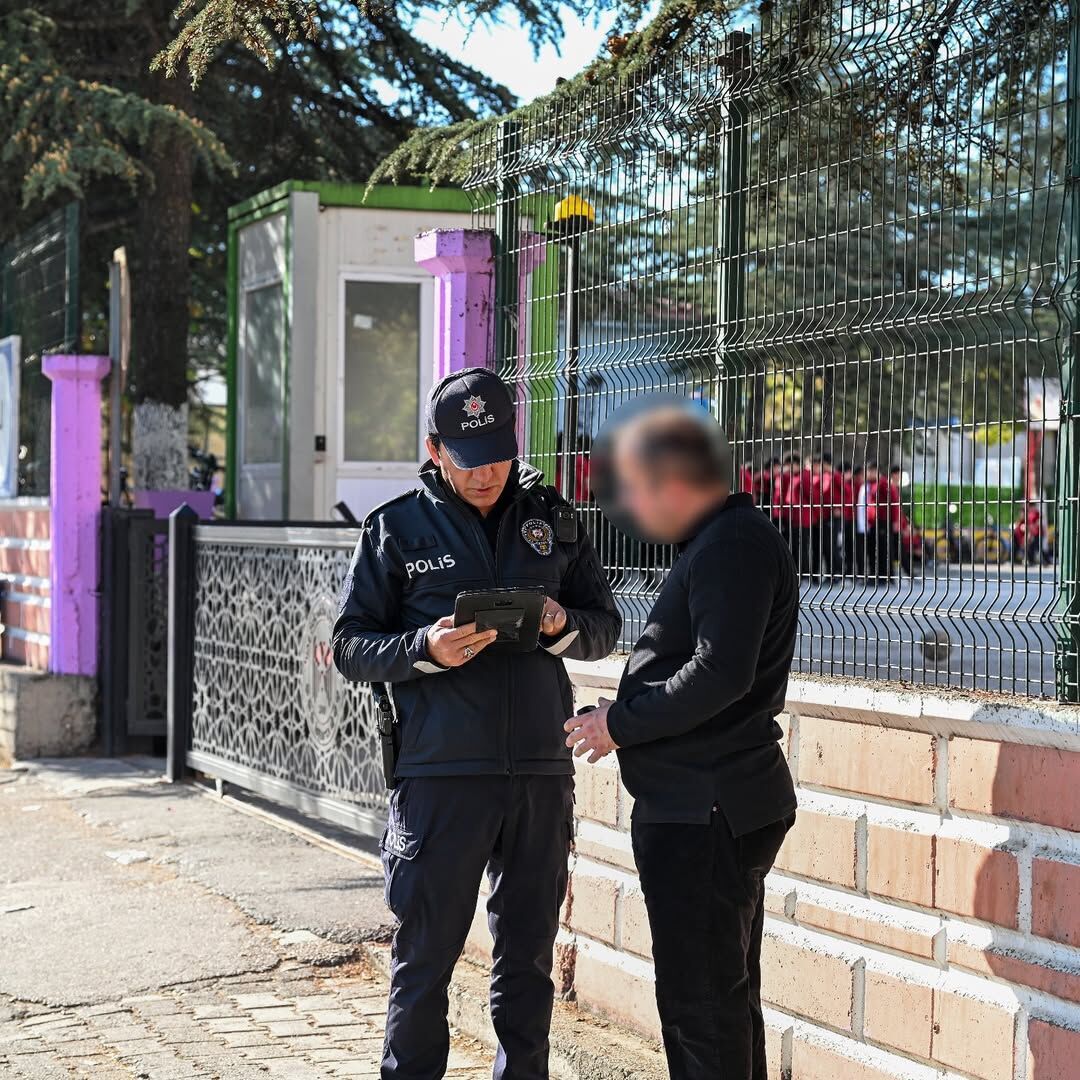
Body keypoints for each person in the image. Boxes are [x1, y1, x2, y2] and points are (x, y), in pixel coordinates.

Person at [333, 367, 621, 1080]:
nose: (487, 473)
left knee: (527, 963)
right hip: (441, 775)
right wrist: (422, 648)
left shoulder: (554, 519)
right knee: (424, 959)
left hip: (539, 774)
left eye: (497, 455)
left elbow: (604, 627)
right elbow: (349, 646)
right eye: (468, 459)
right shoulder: (394, 529)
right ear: (434, 450)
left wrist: (559, 624)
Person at [564, 405, 798, 1080]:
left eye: (635, 491)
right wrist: (625, 712)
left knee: (703, 1010)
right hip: (706, 804)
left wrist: (621, 725)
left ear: (671, 483)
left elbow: (720, 673)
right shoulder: (722, 539)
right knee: (720, 1002)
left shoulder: (731, 544)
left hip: (707, 810)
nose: (631, 509)